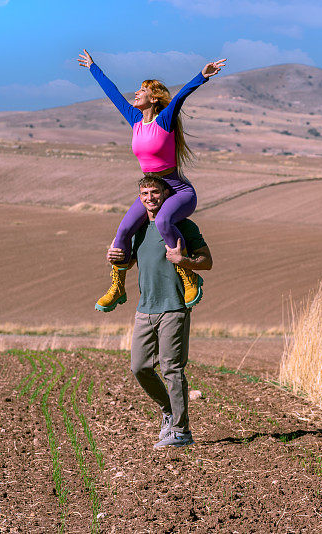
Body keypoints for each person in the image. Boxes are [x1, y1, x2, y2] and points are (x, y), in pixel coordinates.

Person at [78, 49, 225, 312]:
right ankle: (118, 287)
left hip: (178, 191)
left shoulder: (164, 120)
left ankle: (188, 275)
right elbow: (113, 94)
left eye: (142, 90)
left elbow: (180, 97)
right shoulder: (135, 120)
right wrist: (93, 67)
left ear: (154, 98)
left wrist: (202, 76)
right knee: (122, 232)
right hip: (152, 191)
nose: (136, 93)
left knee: (164, 220)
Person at [107, 173, 212, 448]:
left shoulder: (182, 225)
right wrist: (115, 257)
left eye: (155, 192)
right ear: (139, 198)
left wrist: (184, 259)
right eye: (144, 194)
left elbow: (207, 261)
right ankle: (169, 412)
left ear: (166, 194)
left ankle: (181, 431)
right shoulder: (138, 229)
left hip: (175, 306)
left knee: (171, 368)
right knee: (139, 367)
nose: (150, 198)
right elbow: (127, 263)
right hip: (145, 308)